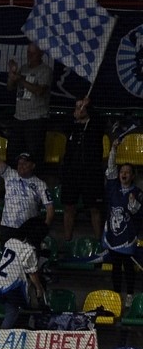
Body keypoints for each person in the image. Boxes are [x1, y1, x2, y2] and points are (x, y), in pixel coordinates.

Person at [102, 135, 143, 307]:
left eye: (127, 172)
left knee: (128, 267)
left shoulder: (138, 192)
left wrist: (133, 204)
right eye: (122, 172)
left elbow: (138, 212)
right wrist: (113, 149)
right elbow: (110, 168)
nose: (123, 174)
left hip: (128, 238)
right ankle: (117, 294)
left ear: (132, 176)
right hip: (113, 237)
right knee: (116, 268)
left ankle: (130, 295)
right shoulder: (113, 188)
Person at [0, 218, 48, 329]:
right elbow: (33, 274)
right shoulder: (28, 250)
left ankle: (5, 333)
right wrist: (39, 288)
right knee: (13, 311)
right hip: (12, 283)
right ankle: (2, 335)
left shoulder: (11, 242)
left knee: (12, 309)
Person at [0, 137, 54, 243]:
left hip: (27, 230)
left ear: (33, 165)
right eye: (19, 163)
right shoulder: (9, 174)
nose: (21, 166)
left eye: (25, 163)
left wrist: (44, 229)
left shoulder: (40, 184)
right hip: (7, 227)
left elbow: (50, 209)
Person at [61, 97, 105, 242]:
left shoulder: (95, 125)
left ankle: (99, 242)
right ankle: (67, 242)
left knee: (95, 209)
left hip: (91, 174)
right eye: (78, 106)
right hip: (71, 173)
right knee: (69, 207)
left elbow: (100, 121)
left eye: (83, 106)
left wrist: (89, 107)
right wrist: (74, 116)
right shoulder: (71, 125)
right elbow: (65, 125)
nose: (81, 109)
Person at [6, 42, 52, 167]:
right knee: (12, 153)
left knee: (34, 155)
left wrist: (20, 79)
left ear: (41, 54)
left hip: (35, 119)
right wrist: (12, 75)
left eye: (33, 53)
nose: (29, 56)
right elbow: (10, 87)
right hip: (19, 118)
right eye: (28, 53)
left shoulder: (45, 70)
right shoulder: (23, 68)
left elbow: (40, 91)